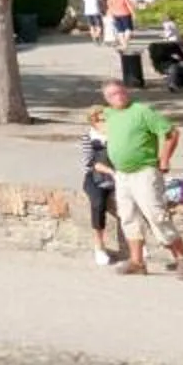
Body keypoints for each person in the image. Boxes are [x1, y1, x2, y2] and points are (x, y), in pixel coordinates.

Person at [100, 79, 183, 278]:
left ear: (125, 91)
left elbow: (171, 132)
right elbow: (94, 120)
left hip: (144, 171)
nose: (118, 97)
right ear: (107, 99)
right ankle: (137, 261)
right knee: (128, 217)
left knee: (156, 215)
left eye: (120, 92)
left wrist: (164, 159)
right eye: (112, 95)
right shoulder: (109, 114)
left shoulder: (141, 112)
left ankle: (182, 258)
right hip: (122, 174)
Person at [81, 105, 121, 268]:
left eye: (107, 119)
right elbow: (88, 162)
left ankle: (137, 244)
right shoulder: (88, 137)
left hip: (118, 174)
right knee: (98, 204)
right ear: (93, 121)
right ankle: (99, 246)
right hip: (96, 176)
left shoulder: (117, 135)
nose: (106, 122)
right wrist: (110, 171)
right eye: (102, 119)